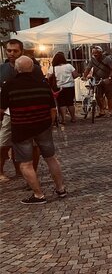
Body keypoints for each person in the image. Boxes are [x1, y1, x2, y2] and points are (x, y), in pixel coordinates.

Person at [0, 56, 66, 204]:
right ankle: (61, 189)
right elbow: (53, 108)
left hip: (21, 128)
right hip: (43, 127)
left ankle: (38, 195)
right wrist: (48, 123)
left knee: (26, 163)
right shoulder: (43, 84)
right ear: (32, 68)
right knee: (51, 158)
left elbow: (2, 109)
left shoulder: (9, 85)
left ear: (16, 69)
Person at [0, 39, 43, 181]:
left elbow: (42, 89)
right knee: (3, 143)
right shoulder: (2, 69)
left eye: (15, 51)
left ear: (22, 51)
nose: (11, 53)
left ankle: (29, 173)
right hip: (8, 113)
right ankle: (1, 171)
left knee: (33, 145)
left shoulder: (34, 68)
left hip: (30, 113)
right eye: (9, 50)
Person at [83, 46, 112, 118]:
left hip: (107, 80)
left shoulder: (107, 59)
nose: (94, 55)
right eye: (93, 54)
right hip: (97, 79)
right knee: (97, 96)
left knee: (109, 96)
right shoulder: (92, 60)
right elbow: (88, 68)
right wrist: (84, 76)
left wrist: (109, 78)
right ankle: (102, 110)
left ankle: (110, 111)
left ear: (100, 53)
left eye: (96, 54)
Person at [46, 52, 79, 124]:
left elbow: (48, 77)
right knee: (70, 102)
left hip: (59, 88)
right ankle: (73, 118)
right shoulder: (69, 66)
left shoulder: (53, 68)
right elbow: (76, 75)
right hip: (70, 86)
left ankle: (64, 119)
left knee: (62, 103)